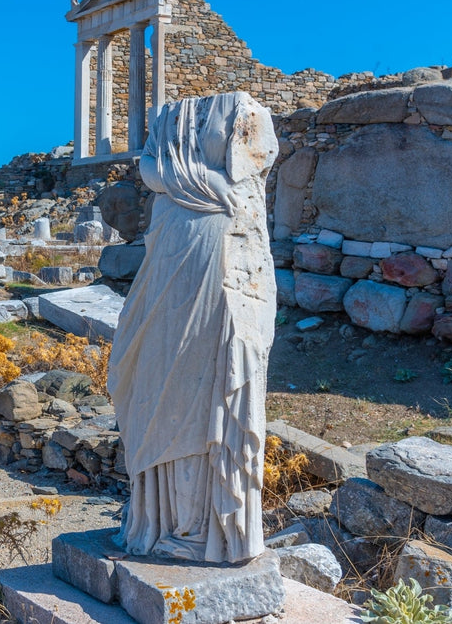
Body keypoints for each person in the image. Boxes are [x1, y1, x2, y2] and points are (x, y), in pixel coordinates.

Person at [108, 91, 278, 563]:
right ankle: (159, 522)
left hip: (221, 256)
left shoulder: (245, 111)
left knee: (209, 387)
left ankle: (208, 531)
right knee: (150, 377)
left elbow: (247, 173)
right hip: (170, 252)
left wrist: (181, 180)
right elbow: (150, 167)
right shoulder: (167, 118)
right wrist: (196, 179)